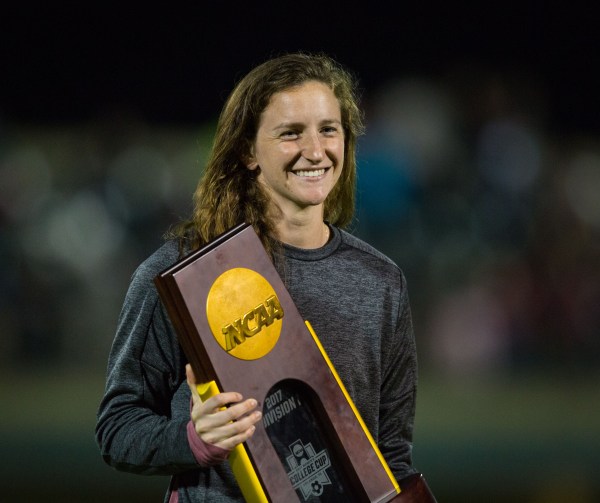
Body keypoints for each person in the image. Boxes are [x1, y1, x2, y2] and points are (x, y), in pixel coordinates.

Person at [96, 52, 430, 502]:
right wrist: (195, 440)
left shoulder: (380, 281)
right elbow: (117, 427)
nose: (315, 151)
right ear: (248, 152)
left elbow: (390, 455)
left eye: (329, 129)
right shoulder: (186, 276)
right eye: (291, 133)